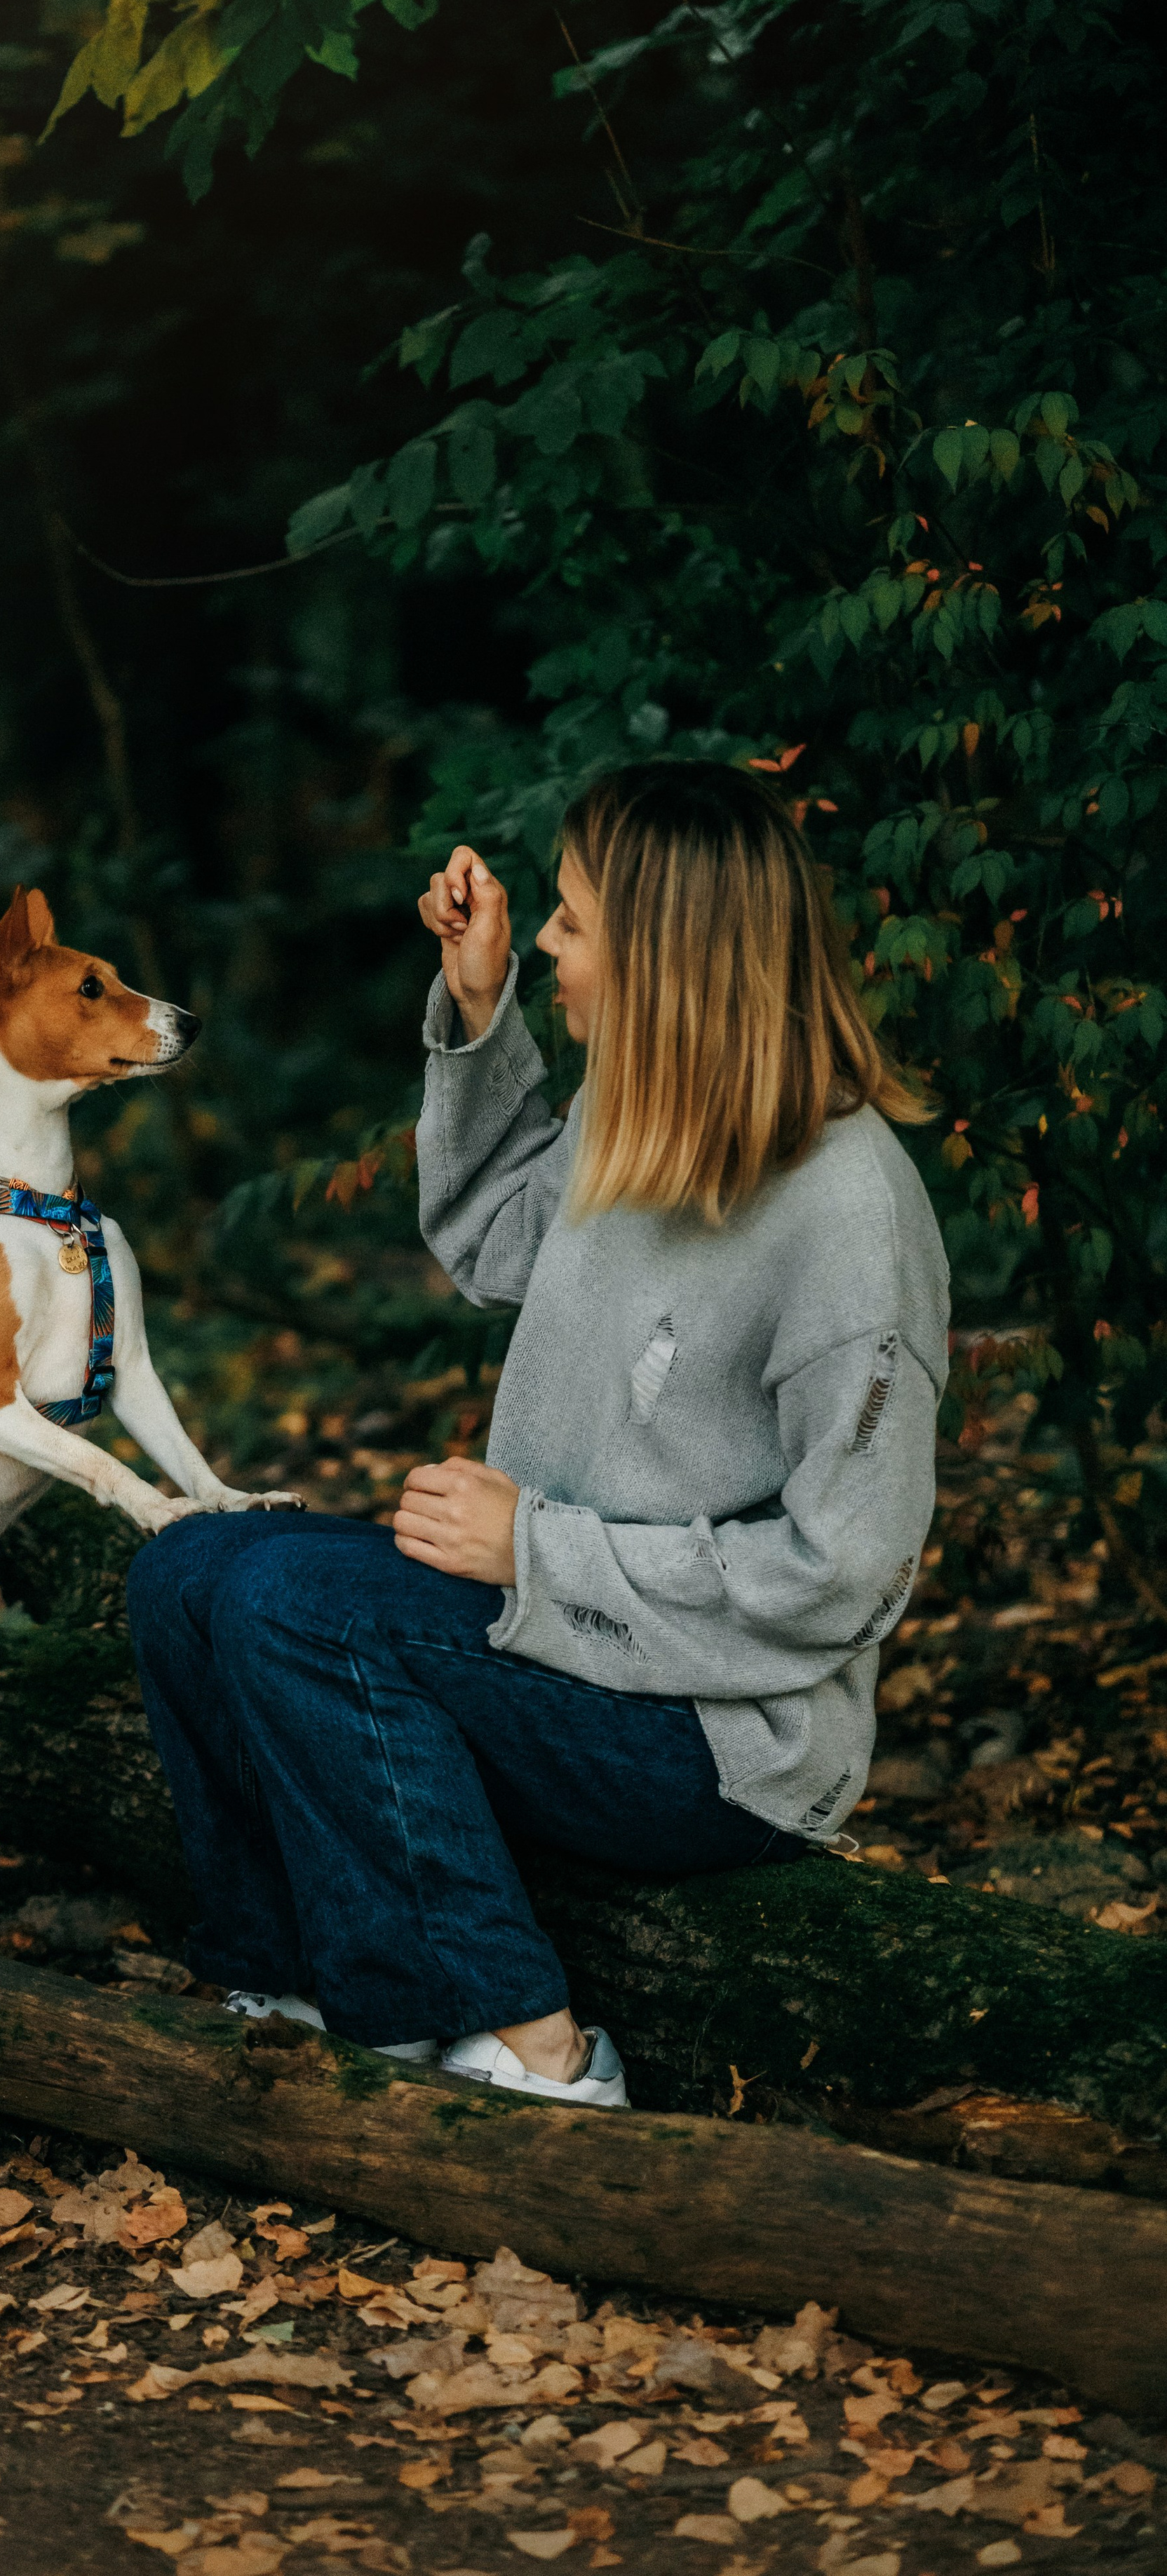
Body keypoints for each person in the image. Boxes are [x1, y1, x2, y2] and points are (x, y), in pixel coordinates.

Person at [126, 761, 951, 2105]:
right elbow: (490, 1233)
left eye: (569, 922)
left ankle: (534, 2048)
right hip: (555, 1642)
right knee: (184, 1574)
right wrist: (476, 998)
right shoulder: (650, 1113)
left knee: (292, 1604)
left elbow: (843, 1575)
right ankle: (292, 1992)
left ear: (666, 954)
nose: (549, 943)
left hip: (719, 1735)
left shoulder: (849, 1215)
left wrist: (541, 1550)